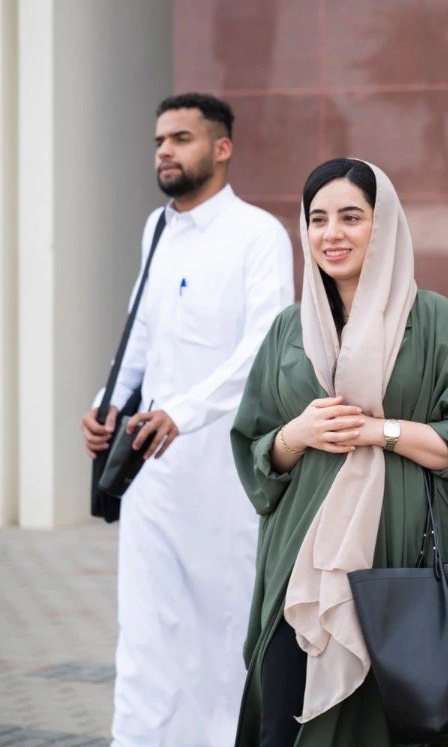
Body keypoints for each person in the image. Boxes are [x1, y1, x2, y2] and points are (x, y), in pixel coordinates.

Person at [231, 158, 448, 746]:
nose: (331, 234)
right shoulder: (289, 330)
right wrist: (300, 433)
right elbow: (259, 449)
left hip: (409, 574)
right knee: (285, 722)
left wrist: (379, 431)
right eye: (317, 219)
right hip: (303, 572)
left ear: (384, 225)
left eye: (351, 217)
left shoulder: (437, 322)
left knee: (398, 728)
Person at [79, 92, 294, 746]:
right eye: (158, 141)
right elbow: (141, 331)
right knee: (145, 627)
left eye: (180, 139)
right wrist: (107, 401)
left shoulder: (258, 236)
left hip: (223, 475)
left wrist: (184, 411)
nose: (165, 152)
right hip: (150, 467)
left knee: (219, 626)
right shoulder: (157, 228)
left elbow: (263, 348)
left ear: (221, 148)